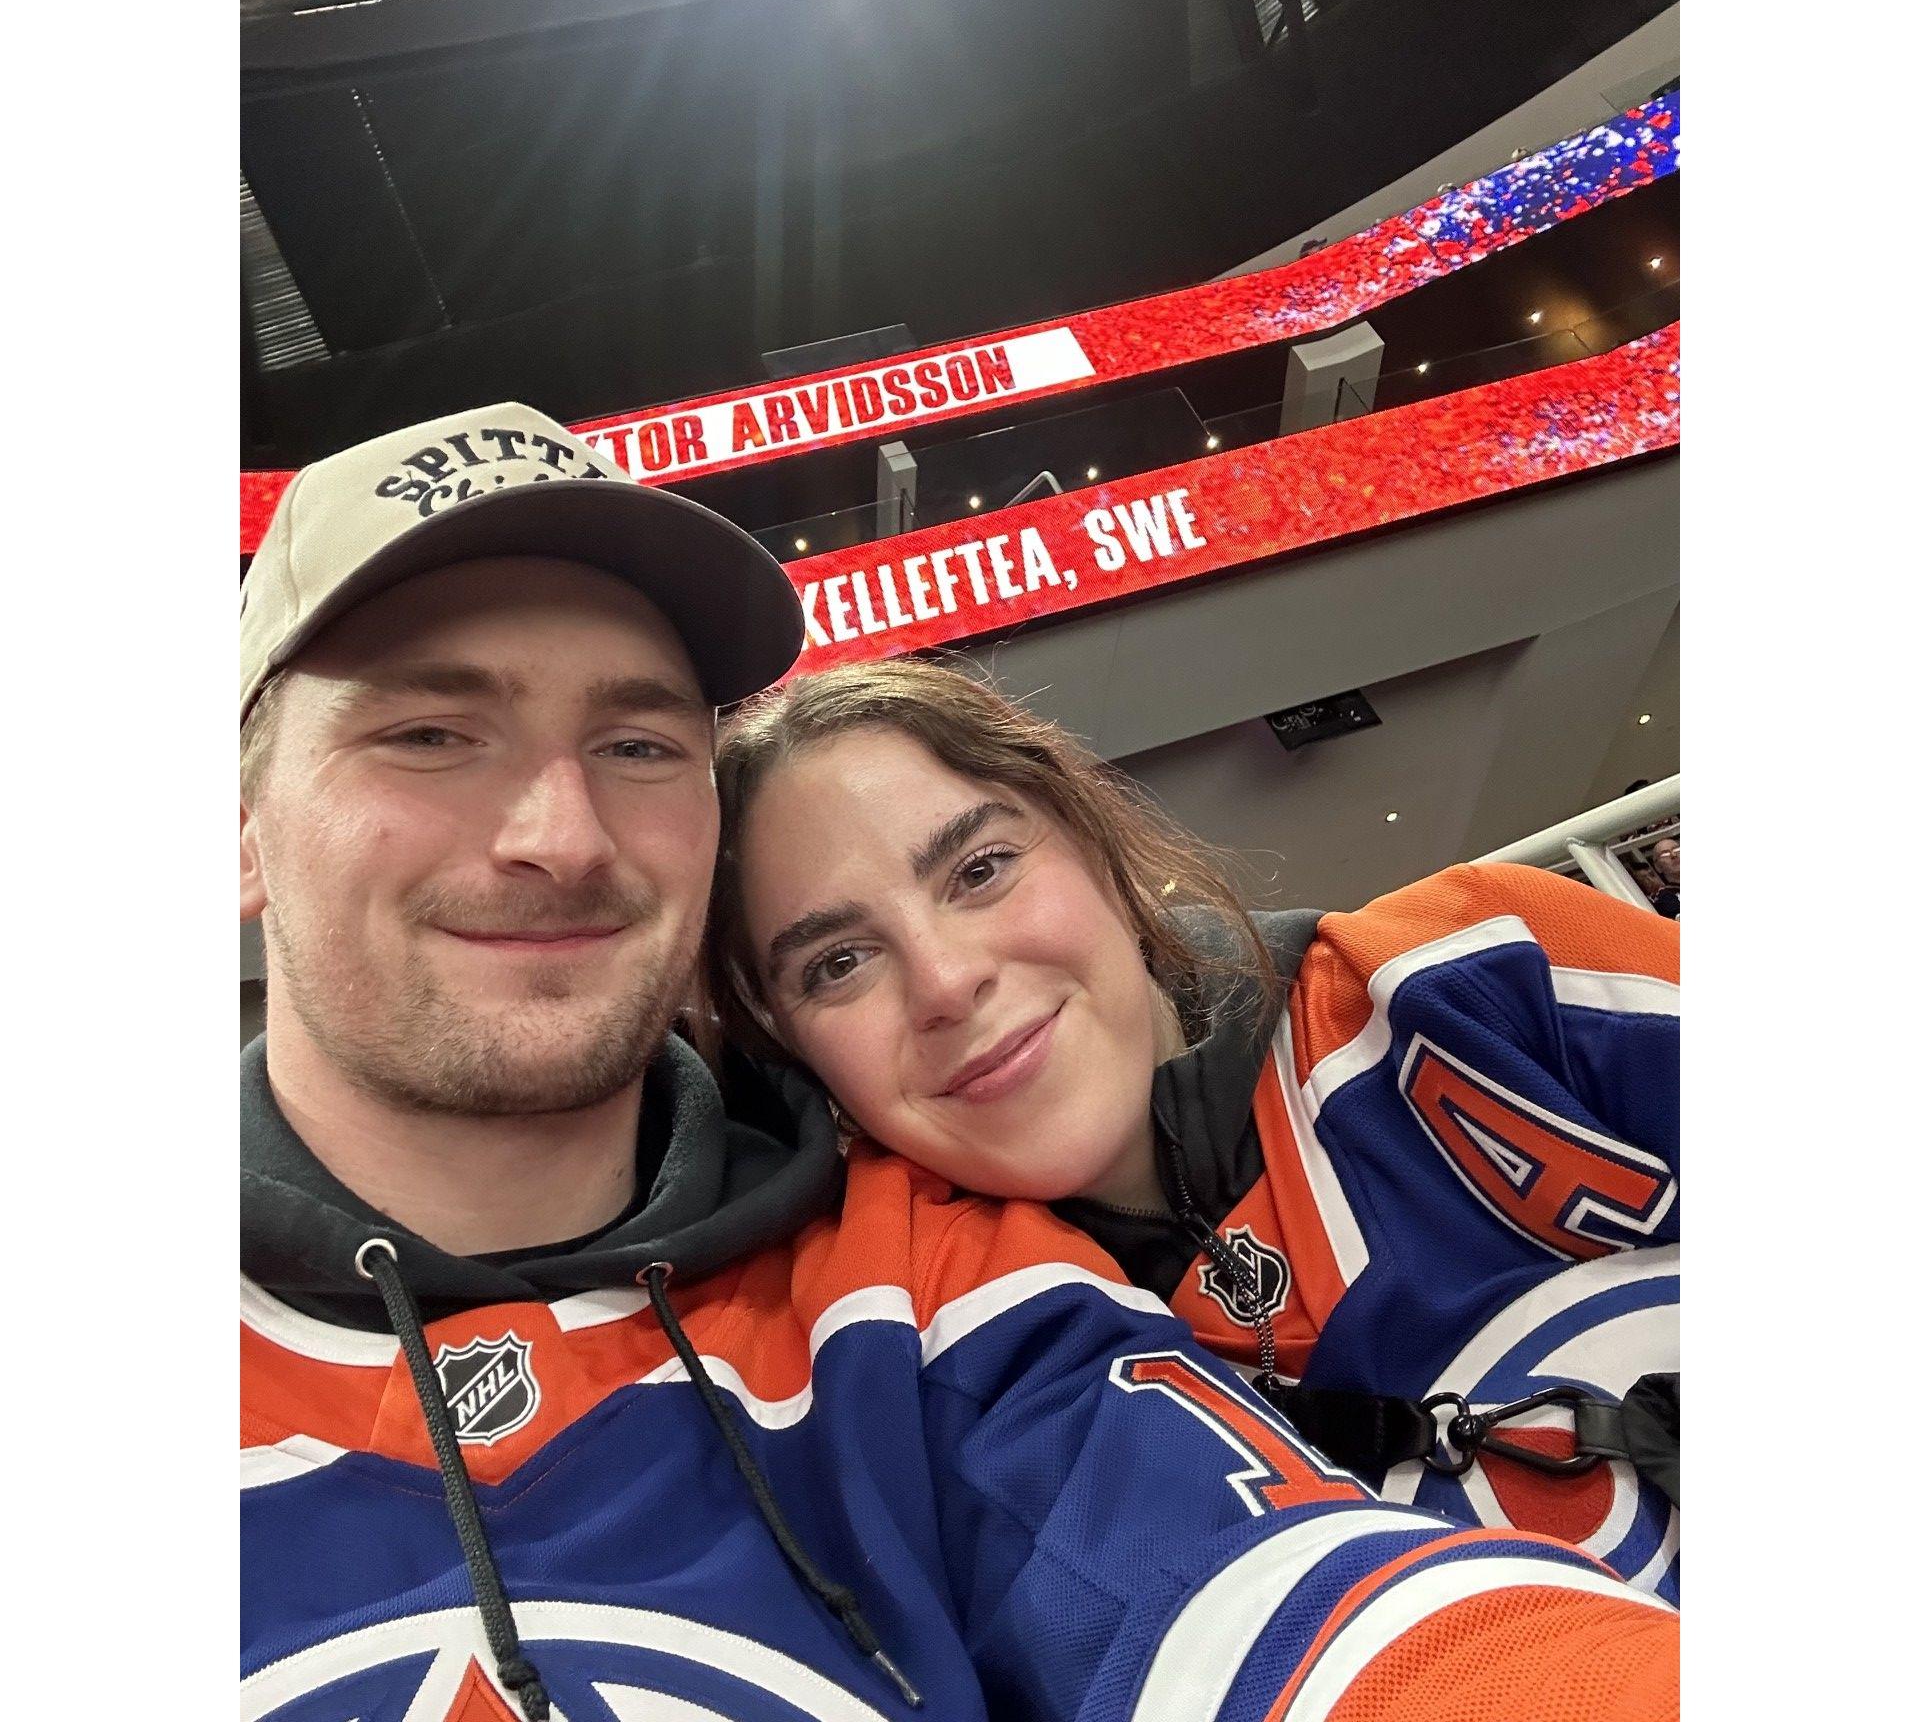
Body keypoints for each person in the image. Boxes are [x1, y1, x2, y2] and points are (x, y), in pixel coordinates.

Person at [240, 406, 1677, 1721]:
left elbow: (1290, 1611)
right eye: (428, 734)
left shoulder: (934, 1297)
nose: (561, 834)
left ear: (1094, 842)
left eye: (634, 743)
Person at [708, 658, 1683, 1605]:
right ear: (790, 1049)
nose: (947, 981)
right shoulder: (936, 1351)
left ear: (1092, 842)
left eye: (981, 868)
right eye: (837, 963)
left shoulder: (1471, 975)